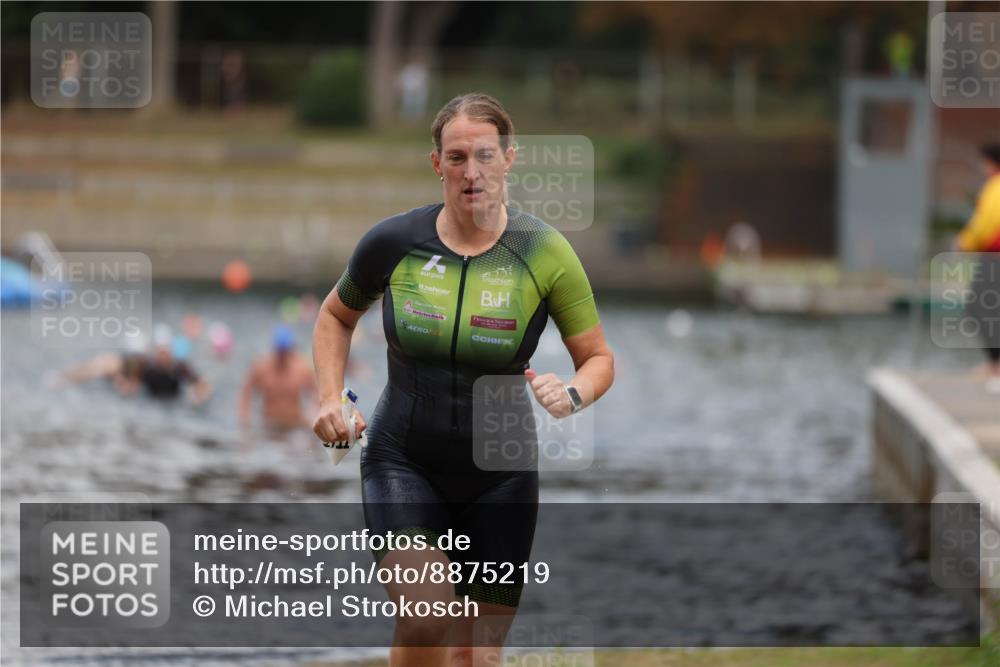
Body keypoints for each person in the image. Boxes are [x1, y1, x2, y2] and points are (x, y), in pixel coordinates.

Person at [312, 93, 615, 667]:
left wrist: (573, 393)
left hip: (501, 476)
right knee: (425, 618)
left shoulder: (545, 252)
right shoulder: (394, 242)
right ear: (436, 165)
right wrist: (330, 396)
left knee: (477, 655)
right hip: (404, 458)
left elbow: (599, 358)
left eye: (483, 155)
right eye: (456, 158)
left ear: (508, 159)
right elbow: (335, 316)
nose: (470, 172)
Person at [954, 143, 1000, 393]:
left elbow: (985, 223)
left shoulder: (994, 187)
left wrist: (964, 242)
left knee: (980, 309)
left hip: (995, 258)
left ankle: (996, 365)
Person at [239, 325, 318, 435]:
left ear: (291, 349)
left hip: (295, 425)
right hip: (269, 425)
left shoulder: (302, 369)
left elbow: (317, 392)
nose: (282, 355)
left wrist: (311, 413)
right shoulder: (261, 368)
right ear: (274, 349)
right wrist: (245, 419)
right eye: (280, 351)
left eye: (285, 351)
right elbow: (246, 392)